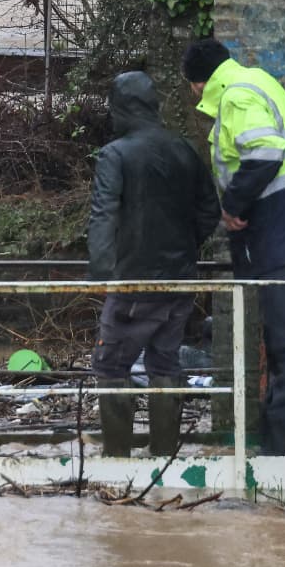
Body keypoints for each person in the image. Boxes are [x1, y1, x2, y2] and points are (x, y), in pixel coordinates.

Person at [182, 38, 285, 457]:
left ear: (198, 84)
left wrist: (234, 206)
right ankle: (279, 449)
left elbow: (265, 152)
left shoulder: (237, 98)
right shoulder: (257, 80)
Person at [87, 70, 220, 459]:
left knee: (111, 363)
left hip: (133, 281)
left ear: (123, 109)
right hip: (179, 280)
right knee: (165, 360)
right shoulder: (184, 149)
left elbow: (103, 215)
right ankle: (164, 458)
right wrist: (184, 247)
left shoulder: (116, 154)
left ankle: (117, 461)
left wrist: (100, 273)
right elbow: (209, 209)